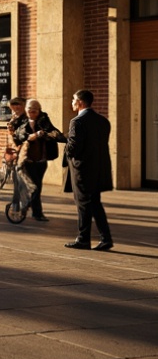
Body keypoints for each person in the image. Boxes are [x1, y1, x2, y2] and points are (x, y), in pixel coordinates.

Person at [64, 89, 114, 251]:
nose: (71, 102)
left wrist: (66, 148)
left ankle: (83, 239)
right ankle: (106, 238)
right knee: (95, 204)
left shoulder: (77, 121)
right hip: (99, 169)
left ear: (80, 102)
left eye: (73, 99)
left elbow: (73, 148)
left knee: (83, 205)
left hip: (83, 170)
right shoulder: (103, 121)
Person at [10, 98, 63, 221]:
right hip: (26, 160)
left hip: (41, 160)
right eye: (29, 110)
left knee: (37, 187)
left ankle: (32, 209)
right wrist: (28, 137)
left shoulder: (44, 121)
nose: (31, 113)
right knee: (34, 187)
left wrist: (43, 134)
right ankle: (34, 211)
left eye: (34, 111)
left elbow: (56, 134)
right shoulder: (21, 121)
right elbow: (17, 138)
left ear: (39, 111)